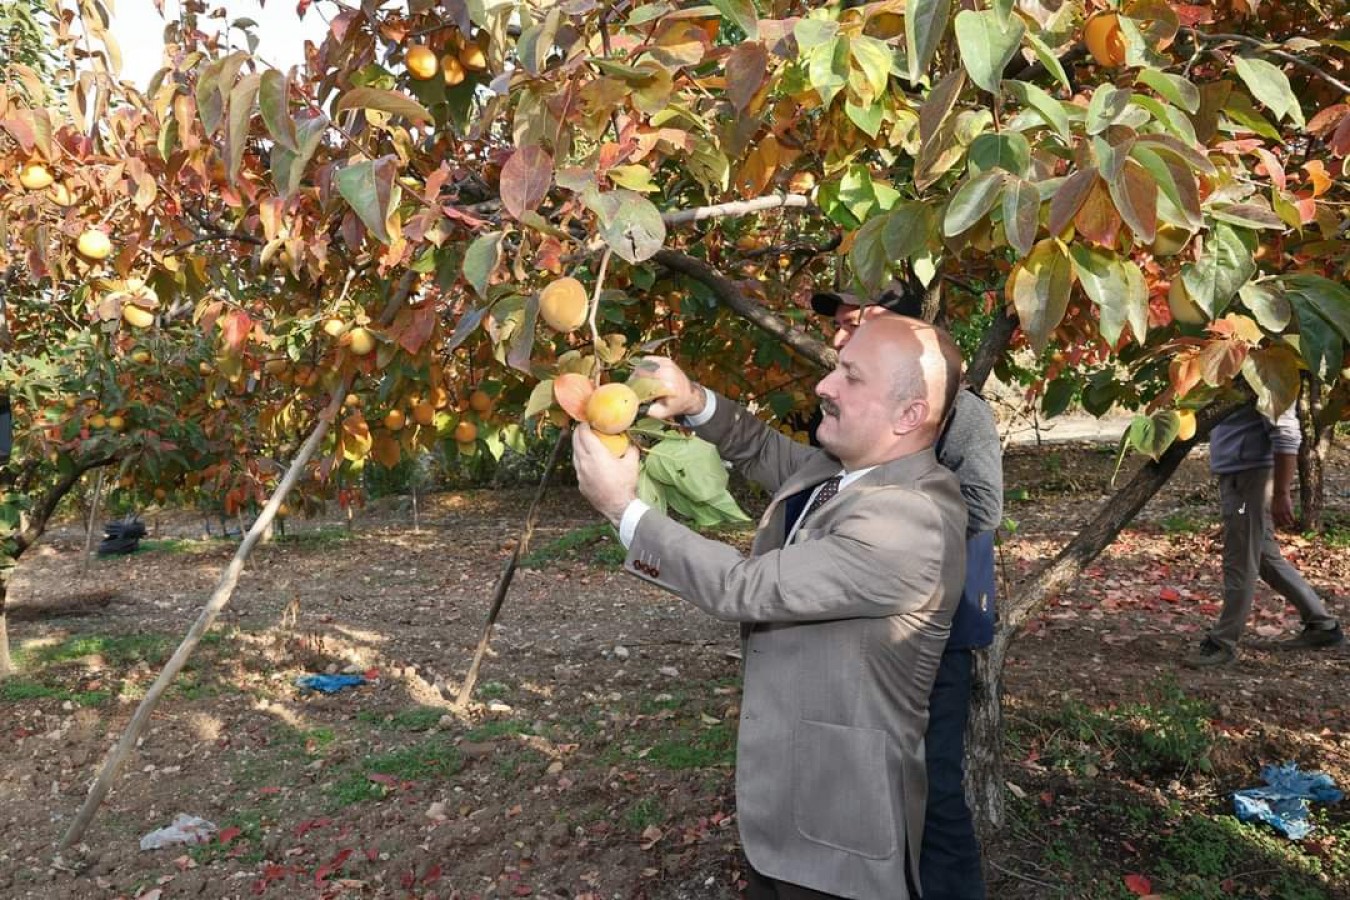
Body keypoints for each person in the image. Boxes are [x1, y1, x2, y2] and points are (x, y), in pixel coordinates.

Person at [572, 316, 968, 899]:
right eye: (837, 368)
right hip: (788, 813)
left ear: (909, 416)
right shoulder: (845, 472)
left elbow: (742, 586)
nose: (825, 386)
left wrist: (623, 509)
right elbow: (757, 447)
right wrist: (694, 401)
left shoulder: (911, 520)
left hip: (839, 835)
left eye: (850, 377)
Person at [811, 283, 1001, 900]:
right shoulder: (851, 400)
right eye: (839, 325)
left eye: (856, 322)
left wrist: (887, 525)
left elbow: (983, 505)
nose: (841, 336)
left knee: (934, 787)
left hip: (930, 624)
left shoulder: (959, 410)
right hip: (866, 617)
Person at [1184, 404, 1343, 667]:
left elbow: (1287, 433)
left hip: (1249, 479)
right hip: (1241, 474)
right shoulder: (1231, 372)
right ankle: (1322, 626)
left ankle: (1223, 643)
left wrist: (1281, 493)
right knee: (1264, 556)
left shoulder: (1266, 373)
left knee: (1240, 557)